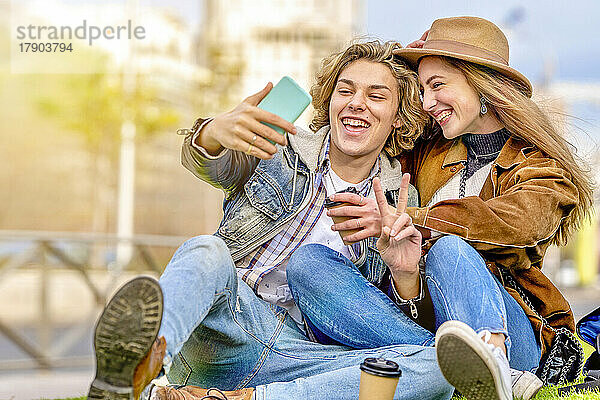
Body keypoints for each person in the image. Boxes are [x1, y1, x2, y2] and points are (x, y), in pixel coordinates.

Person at [86, 40, 455, 400]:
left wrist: (405, 275)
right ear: (329, 103)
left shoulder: (399, 200)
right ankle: (135, 373)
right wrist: (212, 132)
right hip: (229, 324)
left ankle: (236, 398)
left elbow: (384, 322)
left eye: (376, 96)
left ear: (398, 118)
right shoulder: (276, 146)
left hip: (306, 357)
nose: (357, 103)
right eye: (346, 91)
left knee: (438, 366)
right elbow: (212, 163)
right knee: (206, 249)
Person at [287, 16, 595, 400]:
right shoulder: (426, 151)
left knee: (450, 249)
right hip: (420, 320)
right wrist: (401, 63)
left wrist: (416, 220)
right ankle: (441, 367)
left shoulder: (543, 168)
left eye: (437, 85)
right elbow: (373, 115)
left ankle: (497, 364)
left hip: (515, 332)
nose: (428, 102)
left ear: (481, 83)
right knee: (308, 264)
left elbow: (518, 222)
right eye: (421, 89)